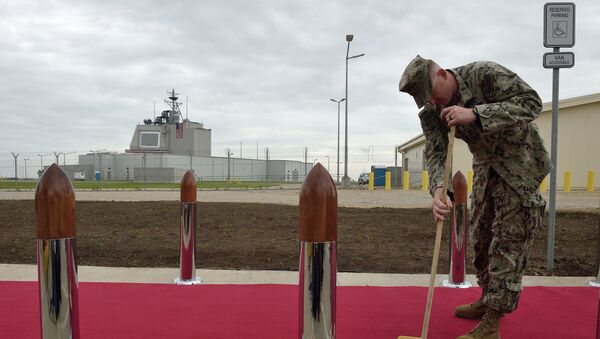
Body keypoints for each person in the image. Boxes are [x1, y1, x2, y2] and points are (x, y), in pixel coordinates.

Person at [398, 55, 551, 339]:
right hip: (485, 168)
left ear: (442, 74)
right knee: (479, 237)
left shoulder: (484, 74)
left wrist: (477, 114)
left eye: (431, 95)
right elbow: (435, 152)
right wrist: (438, 190)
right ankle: (487, 296)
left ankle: (493, 323)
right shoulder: (432, 111)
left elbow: (532, 102)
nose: (432, 103)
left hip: (520, 166)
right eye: (425, 101)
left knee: (508, 242)